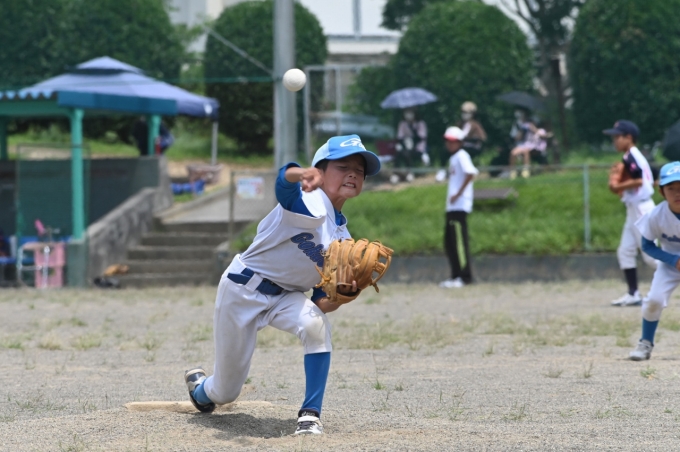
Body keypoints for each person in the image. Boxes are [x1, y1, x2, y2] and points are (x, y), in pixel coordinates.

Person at [184, 134, 381, 435]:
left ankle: (310, 415)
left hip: (286, 297)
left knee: (315, 325)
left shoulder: (343, 238)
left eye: (359, 169)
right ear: (319, 171)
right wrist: (299, 173)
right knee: (225, 392)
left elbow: (320, 301)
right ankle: (200, 390)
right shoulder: (307, 200)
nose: (353, 174)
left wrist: (344, 294)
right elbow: (283, 183)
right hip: (243, 288)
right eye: (343, 167)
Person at [629, 161, 680, 360]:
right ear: (661, 192)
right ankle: (645, 343)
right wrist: (673, 259)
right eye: (671, 188)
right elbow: (647, 245)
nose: (677, 193)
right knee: (654, 300)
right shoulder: (656, 216)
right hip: (670, 264)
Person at [605, 120, 657, 307]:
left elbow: (640, 180)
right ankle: (633, 293)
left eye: (618, 137)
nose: (615, 141)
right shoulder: (631, 156)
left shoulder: (631, 156)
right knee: (625, 251)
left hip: (642, 210)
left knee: (651, 257)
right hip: (634, 209)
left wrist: (618, 186)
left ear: (629, 137)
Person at [439, 126, 478, 289]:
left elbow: (471, 173)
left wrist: (458, 194)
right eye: (448, 141)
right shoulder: (454, 157)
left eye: (453, 141)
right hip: (452, 207)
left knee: (459, 243)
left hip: (459, 206)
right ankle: (455, 275)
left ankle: (464, 276)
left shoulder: (462, 155)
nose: (449, 144)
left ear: (460, 142)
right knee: (450, 242)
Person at [436, 102, 487, 182]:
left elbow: (482, 137)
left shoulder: (475, 125)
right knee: (445, 150)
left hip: (472, 147)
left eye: (467, 113)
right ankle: (444, 171)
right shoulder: (460, 124)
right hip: (460, 145)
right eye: (463, 112)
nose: (464, 114)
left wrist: (468, 139)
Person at [507, 109, 548, 179]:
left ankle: (526, 170)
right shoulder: (526, 130)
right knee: (513, 152)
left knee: (525, 151)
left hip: (535, 147)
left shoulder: (541, 130)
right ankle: (512, 171)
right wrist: (522, 131)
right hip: (525, 145)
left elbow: (543, 136)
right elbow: (517, 139)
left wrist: (534, 129)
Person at [392, 108, 428, 184]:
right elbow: (400, 137)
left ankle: (410, 172)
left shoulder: (420, 123)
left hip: (418, 148)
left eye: (410, 112)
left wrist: (413, 140)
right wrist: (404, 143)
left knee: (408, 153)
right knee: (399, 153)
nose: (408, 114)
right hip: (406, 146)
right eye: (406, 112)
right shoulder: (402, 124)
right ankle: (396, 174)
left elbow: (422, 137)